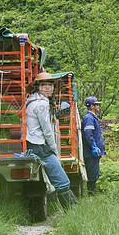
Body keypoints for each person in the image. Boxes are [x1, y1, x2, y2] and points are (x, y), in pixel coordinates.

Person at [26, 72, 77, 209]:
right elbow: (47, 130)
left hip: (34, 144)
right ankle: (73, 212)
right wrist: (54, 149)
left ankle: (72, 212)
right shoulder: (41, 103)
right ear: (38, 87)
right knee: (62, 181)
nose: (47, 88)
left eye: (50, 85)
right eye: (44, 85)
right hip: (40, 146)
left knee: (59, 179)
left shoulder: (32, 101)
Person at [81, 96, 105, 196]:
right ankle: (91, 196)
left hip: (93, 152)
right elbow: (88, 134)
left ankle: (92, 194)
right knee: (92, 174)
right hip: (90, 153)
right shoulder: (89, 118)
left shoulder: (92, 117)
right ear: (92, 106)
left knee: (94, 173)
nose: (98, 106)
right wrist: (93, 147)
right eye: (96, 104)